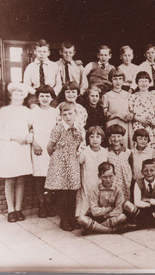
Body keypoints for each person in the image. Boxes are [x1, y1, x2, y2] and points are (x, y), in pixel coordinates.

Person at [0, 82, 34, 222]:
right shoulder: (4, 111)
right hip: (9, 147)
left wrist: (30, 135)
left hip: (22, 148)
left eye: (21, 94)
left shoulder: (27, 112)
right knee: (10, 179)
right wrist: (14, 137)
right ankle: (10, 210)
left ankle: (18, 209)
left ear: (24, 96)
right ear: (11, 95)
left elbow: (31, 127)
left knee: (21, 179)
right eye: (15, 93)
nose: (18, 96)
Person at [45, 102, 84, 231]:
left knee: (72, 191)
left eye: (70, 114)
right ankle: (64, 219)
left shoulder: (79, 128)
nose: (68, 117)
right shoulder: (58, 128)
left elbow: (80, 144)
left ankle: (72, 217)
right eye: (64, 114)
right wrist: (58, 158)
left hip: (72, 161)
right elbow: (50, 147)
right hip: (60, 162)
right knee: (61, 192)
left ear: (76, 114)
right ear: (61, 115)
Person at [78, 162, 137, 235]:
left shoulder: (118, 190)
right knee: (81, 219)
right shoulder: (94, 189)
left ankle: (95, 229)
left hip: (110, 218)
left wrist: (106, 215)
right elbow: (94, 211)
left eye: (110, 176)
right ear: (99, 176)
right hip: (96, 218)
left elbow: (118, 209)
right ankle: (110, 230)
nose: (108, 180)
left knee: (122, 217)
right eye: (104, 177)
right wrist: (109, 209)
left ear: (114, 175)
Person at [30, 85, 59, 218]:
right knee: (40, 177)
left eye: (47, 96)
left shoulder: (54, 112)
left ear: (52, 98)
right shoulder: (33, 112)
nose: (44, 98)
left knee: (50, 177)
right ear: (37, 98)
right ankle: (42, 204)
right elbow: (29, 130)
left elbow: (58, 130)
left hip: (51, 148)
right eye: (42, 96)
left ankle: (49, 203)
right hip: (38, 148)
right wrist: (34, 143)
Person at [124, 159, 155, 229]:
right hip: (141, 211)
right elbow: (137, 202)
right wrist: (153, 203)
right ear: (142, 172)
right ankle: (154, 222)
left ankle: (140, 225)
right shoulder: (138, 183)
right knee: (126, 204)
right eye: (145, 170)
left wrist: (149, 200)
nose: (149, 173)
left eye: (152, 170)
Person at [75, 126, 108, 219]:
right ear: (88, 138)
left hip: (99, 181)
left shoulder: (104, 152)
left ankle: (99, 216)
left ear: (102, 139)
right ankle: (83, 217)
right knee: (86, 198)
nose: (95, 140)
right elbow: (77, 165)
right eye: (92, 137)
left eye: (98, 137)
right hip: (87, 181)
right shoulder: (84, 152)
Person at [23, 39, 61, 107]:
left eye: (44, 51)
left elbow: (58, 84)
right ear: (35, 52)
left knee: (53, 107)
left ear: (48, 53)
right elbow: (26, 85)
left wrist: (52, 93)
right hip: (35, 94)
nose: (42, 54)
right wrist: (36, 93)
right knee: (33, 107)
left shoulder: (55, 66)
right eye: (39, 51)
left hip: (51, 93)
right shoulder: (30, 67)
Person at [102, 67, 132, 148]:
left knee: (125, 146)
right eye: (115, 79)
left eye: (120, 79)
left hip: (126, 124)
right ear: (111, 80)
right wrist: (117, 115)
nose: (118, 82)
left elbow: (132, 110)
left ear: (123, 80)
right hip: (112, 124)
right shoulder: (107, 96)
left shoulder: (128, 95)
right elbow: (105, 116)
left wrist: (130, 115)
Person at [129, 71, 155, 148]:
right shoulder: (132, 97)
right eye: (141, 81)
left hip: (151, 126)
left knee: (152, 147)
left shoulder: (154, 96)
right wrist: (140, 119)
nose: (144, 84)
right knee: (139, 147)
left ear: (149, 82)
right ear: (137, 83)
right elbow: (131, 113)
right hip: (138, 125)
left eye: (146, 81)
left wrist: (154, 120)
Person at [106, 124, 132, 202]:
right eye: (113, 136)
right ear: (110, 137)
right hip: (112, 182)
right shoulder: (106, 151)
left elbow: (131, 167)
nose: (116, 139)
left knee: (125, 200)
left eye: (118, 136)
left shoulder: (128, 152)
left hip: (125, 182)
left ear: (122, 137)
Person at [57, 81, 88, 146]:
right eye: (68, 92)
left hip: (79, 141)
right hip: (64, 140)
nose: (71, 95)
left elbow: (82, 125)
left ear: (78, 94)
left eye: (73, 92)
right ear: (64, 93)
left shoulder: (81, 109)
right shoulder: (60, 107)